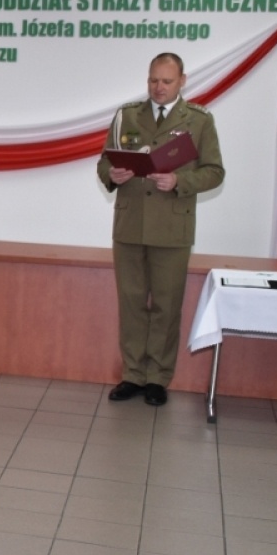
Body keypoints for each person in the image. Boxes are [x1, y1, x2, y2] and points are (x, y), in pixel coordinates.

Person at [98, 52, 224, 406]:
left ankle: (157, 378)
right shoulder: (127, 115)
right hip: (130, 224)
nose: (158, 87)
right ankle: (133, 375)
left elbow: (214, 171)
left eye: (167, 81)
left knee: (166, 306)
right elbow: (105, 159)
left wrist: (179, 179)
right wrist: (112, 173)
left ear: (182, 81)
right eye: (153, 80)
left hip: (171, 228)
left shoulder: (199, 120)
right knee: (132, 303)